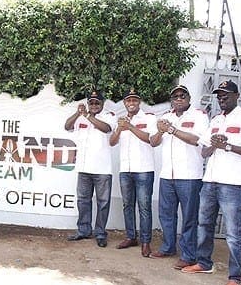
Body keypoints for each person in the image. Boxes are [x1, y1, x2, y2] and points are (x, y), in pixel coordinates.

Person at [182, 80, 241, 285]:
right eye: (219, 95)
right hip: (210, 181)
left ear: (236, 95)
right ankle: (204, 263)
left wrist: (227, 145)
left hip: (232, 184)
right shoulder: (216, 120)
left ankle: (235, 277)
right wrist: (214, 145)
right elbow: (204, 152)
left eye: (225, 94)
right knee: (204, 224)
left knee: (234, 233)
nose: (221, 98)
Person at [149, 85, 209, 269]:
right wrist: (160, 130)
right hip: (167, 174)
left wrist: (172, 130)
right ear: (171, 100)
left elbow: (197, 140)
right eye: (175, 96)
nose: (179, 99)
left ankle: (189, 255)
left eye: (183, 96)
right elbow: (153, 142)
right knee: (166, 214)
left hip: (190, 175)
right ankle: (168, 247)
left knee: (189, 217)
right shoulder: (165, 116)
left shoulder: (199, 115)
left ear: (189, 98)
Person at [64, 91, 116, 247]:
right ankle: (84, 230)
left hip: (102, 169)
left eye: (96, 103)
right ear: (88, 103)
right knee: (83, 201)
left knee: (103, 202)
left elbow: (106, 129)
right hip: (84, 167)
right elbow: (67, 126)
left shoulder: (109, 116)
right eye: (91, 103)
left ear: (102, 103)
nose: (94, 106)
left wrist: (87, 116)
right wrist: (77, 113)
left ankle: (100, 233)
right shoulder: (81, 117)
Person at [110, 88, 157, 257]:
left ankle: (146, 242)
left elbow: (151, 139)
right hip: (125, 169)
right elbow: (112, 142)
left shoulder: (149, 118)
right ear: (124, 103)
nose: (131, 103)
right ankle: (131, 236)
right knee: (127, 205)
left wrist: (130, 127)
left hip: (143, 169)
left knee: (144, 207)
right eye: (128, 101)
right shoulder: (121, 120)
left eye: (134, 100)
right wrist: (119, 129)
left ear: (139, 102)